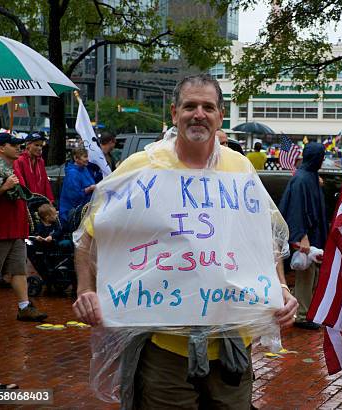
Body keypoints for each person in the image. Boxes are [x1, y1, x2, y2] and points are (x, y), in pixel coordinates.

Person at [71, 74, 298, 409]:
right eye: (190, 106)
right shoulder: (141, 168)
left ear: (221, 115)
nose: (199, 114)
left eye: (208, 107)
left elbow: (264, 241)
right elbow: (88, 238)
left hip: (232, 345)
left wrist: (281, 288)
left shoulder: (240, 168)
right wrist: (85, 290)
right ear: (174, 113)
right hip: (165, 348)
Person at [0, 133, 47, 321]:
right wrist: (4, 188)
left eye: (20, 145)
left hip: (16, 230)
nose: (19, 148)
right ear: (2, 148)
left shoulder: (14, 168)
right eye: (14, 145)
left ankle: (24, 306)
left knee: (19, 269)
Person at [279, 143, 327, 330]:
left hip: (312, 234)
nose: (323, 160)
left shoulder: (309, 176)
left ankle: (304, 311)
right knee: (305, 276)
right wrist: (302, 236)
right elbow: (297, 209)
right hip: (307, 235)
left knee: (310, 274)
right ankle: (301, 314)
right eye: (321, 157)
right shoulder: (302, 179)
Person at [59, 148, 96, 226]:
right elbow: (74, 196)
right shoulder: (72, 174)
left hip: (85, 210)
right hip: (73, 214)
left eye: (87, 157)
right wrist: (89, 189)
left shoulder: (84, 169)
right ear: (76, 158)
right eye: (85, 157)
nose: (87, 159)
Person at [13, 132, 54, 201]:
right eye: (36, 145)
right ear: (27, 145)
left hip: (40, 200)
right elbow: (20, 184)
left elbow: (45, 182)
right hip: (27, 201)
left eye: (41, 146)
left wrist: (50, 200)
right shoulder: (19, 160)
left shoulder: (41, 161)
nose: (40, 148)